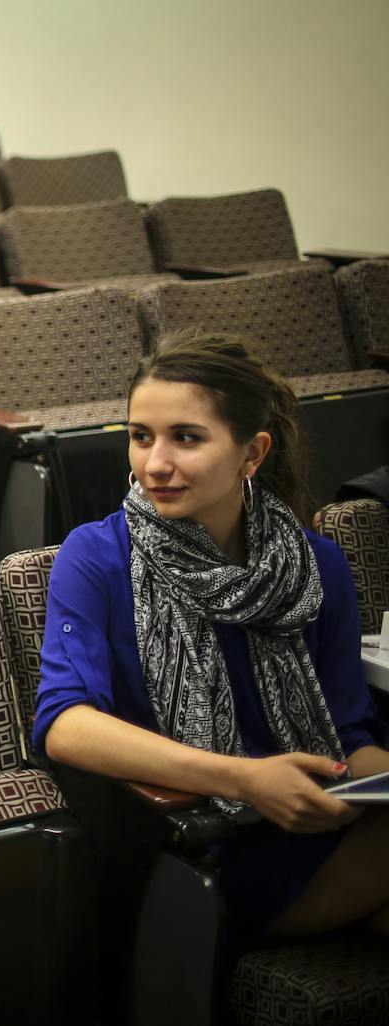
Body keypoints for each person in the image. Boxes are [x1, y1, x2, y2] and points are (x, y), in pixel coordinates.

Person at [34, 331, 389, 940]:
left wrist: (377, 779)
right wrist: (243, 777)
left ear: (252, 454)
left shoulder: (315, 564)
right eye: (141, 436)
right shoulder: (96, 556)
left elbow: (348, 729)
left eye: (186, 438)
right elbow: (64, 724)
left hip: (316, 817)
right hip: (200, 840)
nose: (154, 463)